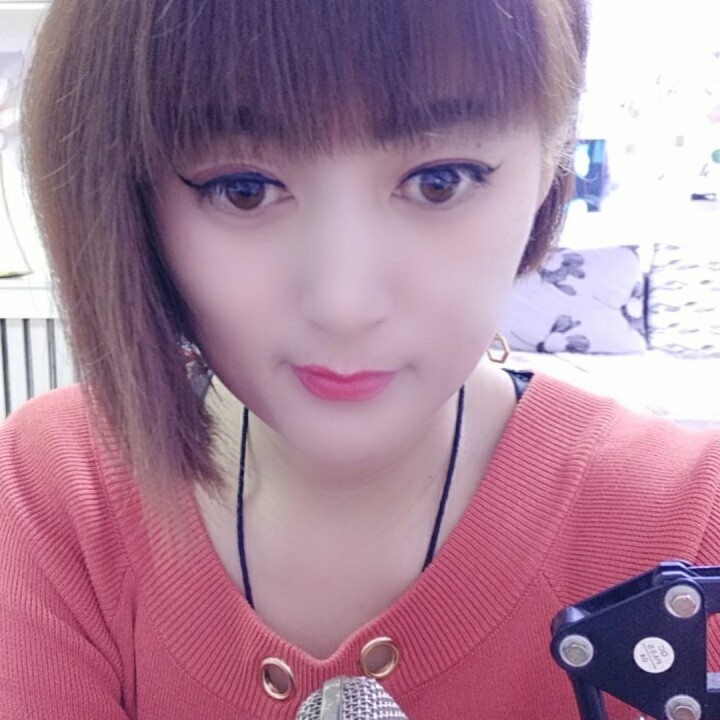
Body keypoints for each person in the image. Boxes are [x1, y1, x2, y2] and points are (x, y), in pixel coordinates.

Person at [1, 0, 718, 718]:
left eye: (440, 182)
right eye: (243, 190)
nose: (344, 304)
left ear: (550, 159)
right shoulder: (51, 492)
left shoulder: (692, 522)